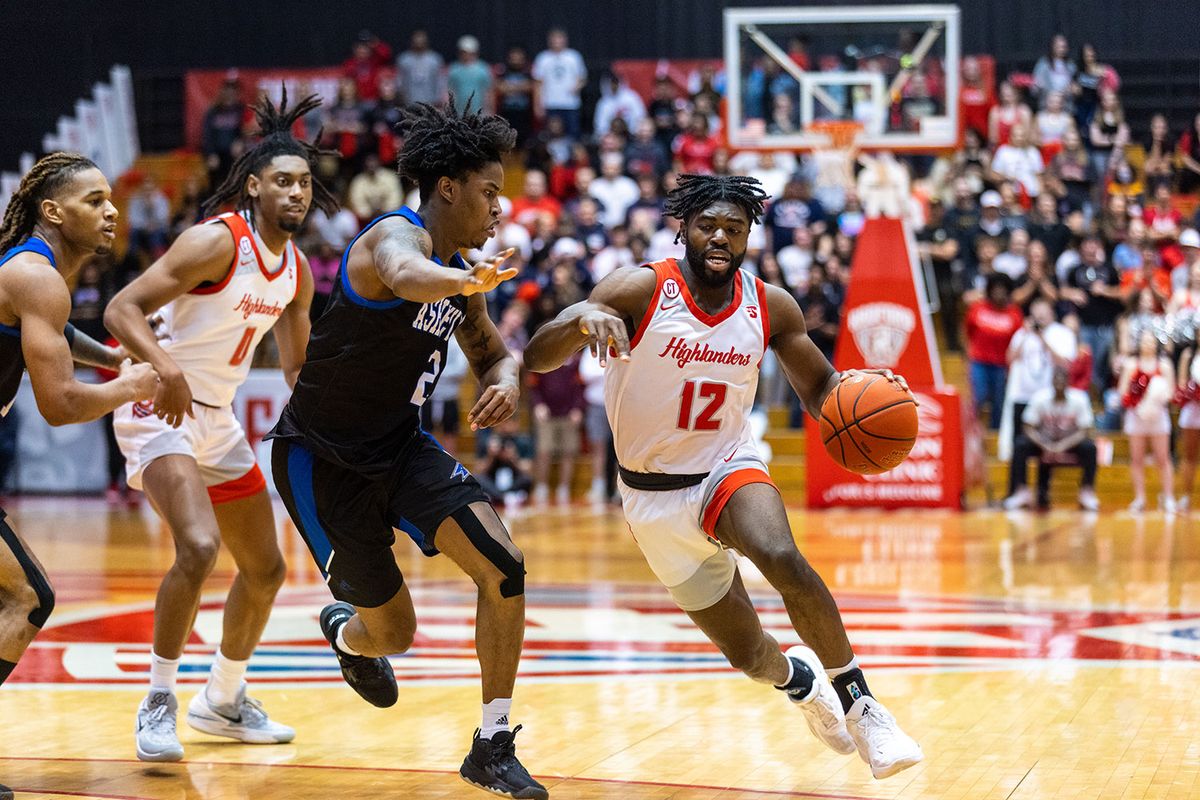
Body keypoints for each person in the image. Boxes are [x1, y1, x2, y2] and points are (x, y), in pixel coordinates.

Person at [523, 173, 924, 780]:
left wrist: (863, 392)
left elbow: (821, 391)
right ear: (683, 226)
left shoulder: (770, 306)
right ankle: (801, 683)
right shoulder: (639, 288)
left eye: (733, 229)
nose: (719, 237)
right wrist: (581, 318)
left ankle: (862, 705)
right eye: (708, 225)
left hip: (726, 466)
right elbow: (534, 357)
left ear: (748, 237)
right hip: (651, 496)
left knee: (780, 554)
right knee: (750, 654)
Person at [265, 99, 546, 799]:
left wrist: (507, 382)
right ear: (448, 187)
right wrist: (464, 281)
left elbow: (496, 357)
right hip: (321, 458)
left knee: (504, 566)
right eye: (489, 191)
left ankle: (492, 742)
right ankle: (346, 632)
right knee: (392, 634)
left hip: (402, 447)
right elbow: (403, 273)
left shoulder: (462, 273)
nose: (498, 206)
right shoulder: (394, 236)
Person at [105, 93, 335, 762]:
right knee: (199, 549)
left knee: (265, 570)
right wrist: (163, 368)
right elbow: (122, 309)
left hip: (215, 422)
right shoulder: (216, 240)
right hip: (157, 406)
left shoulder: (294, 272)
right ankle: (157, 701)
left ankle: (224, 699)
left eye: (305, 183)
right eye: (284, 180)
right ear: (255, 185)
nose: (297, 192)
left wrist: (343, 417)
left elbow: (297, 369)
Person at [0, 152, 160, 799]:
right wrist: (128, 384)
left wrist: (109, 354)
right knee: (26, 597)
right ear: (52, 210)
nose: (111, 209)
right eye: (94, 200)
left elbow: (60, 331)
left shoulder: (30, 275)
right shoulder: (39, 278)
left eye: (109, 198)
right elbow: (61, 405)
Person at [1004, 367, 1099, 511]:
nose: (1059, 383)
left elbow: (1085, 431)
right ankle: (1021, 491)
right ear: (1052, 381)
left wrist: (1062, 445)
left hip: (1070, 442)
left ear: (1068, 382)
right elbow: (1027, 427)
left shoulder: (1079, 399)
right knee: (1020, 445)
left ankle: (1087, 492)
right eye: (1056, 380)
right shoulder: (1040, 398)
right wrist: (1045, 444)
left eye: (1063, 380)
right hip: (1044, 442)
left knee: (1090, 448)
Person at [1118, 329, 1175, 513]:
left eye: (1151, 341)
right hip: (1137, 416)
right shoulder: (1131, 365)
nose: (1148, 345)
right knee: (1137, 459)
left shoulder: (1164, 365)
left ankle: (1168, 497)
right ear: (1139, 344)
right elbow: (1122, 392)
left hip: (1158, 416)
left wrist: (1155, 397)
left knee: (1163, 458)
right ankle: (1140, 498)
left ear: (1156, 344)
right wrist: (1136, 401)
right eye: (1144, 341)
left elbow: (1171, 392)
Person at [532, 27, 587, 140]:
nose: (557, 42)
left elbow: (582, 78)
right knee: (551, 136)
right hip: (550, 103)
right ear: (549, 41)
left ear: (565, 40)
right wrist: (538, 105)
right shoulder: (543, 58)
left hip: (570, 104)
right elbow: (538, 83)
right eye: (554, 39)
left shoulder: (573, 57)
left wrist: (576, 87)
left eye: (559, 38)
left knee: (572, 135)